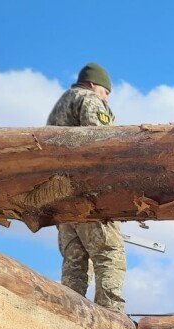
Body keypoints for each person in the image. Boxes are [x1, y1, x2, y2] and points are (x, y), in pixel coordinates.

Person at [47, 61, 127, 312]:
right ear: (94, 85)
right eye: (106, 93)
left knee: (75, 263)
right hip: (88, 196)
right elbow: (102, 144)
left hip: (60, 196)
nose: (107, 99)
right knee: (109, 255)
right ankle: (111, 316)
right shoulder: (89, 100)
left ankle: (69, 315)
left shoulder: (61, 106)